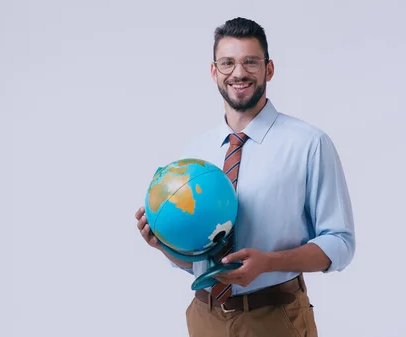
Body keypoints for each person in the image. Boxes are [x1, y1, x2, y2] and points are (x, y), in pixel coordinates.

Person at [135, 17, 356, 337]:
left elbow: (340, 243)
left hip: (274, 317)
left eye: (250, 62)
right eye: (228, 63)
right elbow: (197, 262)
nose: (238, 73)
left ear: (269, 69)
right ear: (214, 72)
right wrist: (164, 245)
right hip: (204, 317)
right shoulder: (196, 154)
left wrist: (268, 262)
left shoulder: (308, 143)